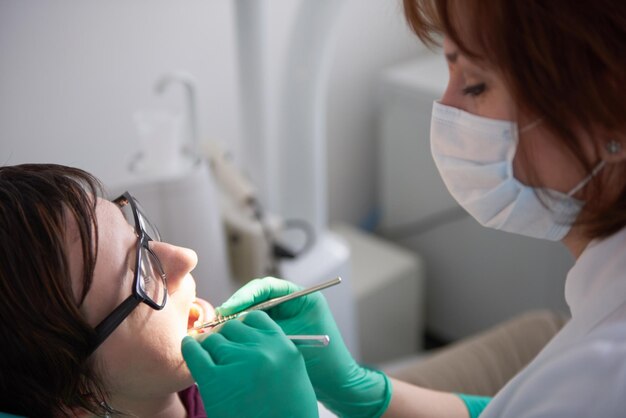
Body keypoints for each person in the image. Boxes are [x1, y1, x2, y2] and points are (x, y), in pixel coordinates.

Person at [210, 1, 626, 417]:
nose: (445, 108)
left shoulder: (602, 377)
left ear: (610, 111)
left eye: (477, 85)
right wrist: (362, 391)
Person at [0, 163, 318, 417]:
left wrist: (352, 390)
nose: (185, 257)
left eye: (136, 234)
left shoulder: (236, 390)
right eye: (140, 273)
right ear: (82, 395)